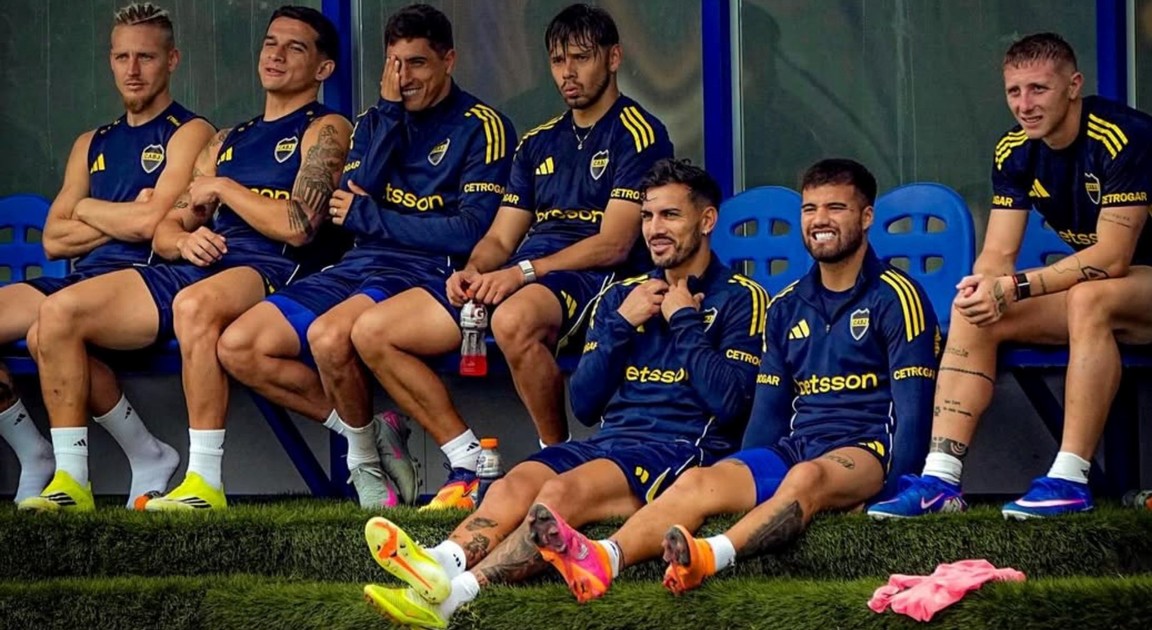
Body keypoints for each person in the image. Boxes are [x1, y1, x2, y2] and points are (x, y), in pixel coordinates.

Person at [359, 158, 766, 627]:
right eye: (648, 216)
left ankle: (456, 596)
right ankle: (441, 560)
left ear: (707, 220)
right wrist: (620, 325)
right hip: (610, 441)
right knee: (516, 482)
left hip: (678, 448)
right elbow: (585, 406)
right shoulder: (620, 298)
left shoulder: (742, 297)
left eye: (670, 215)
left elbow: (731, 406)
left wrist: (685, 322)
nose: (655, 229)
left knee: (559, 491)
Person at [530, 158, 938, 601]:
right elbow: (767, 414)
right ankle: (605, 557)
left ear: (867, 217)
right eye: (809, 209)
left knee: (806, 476)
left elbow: (915, 410)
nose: (820, 220)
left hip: (864, 448)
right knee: (699, 482)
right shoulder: (786, 305)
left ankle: (709, 556)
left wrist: (893, 494)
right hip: (796, 447)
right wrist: (741, 474)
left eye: (835, 208)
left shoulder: (898, 296)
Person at [19, 6, 351, 512]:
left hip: (274, 270)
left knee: (194, 306)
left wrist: (224, 189)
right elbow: (167, 229)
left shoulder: (325, 127)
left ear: (323, 68)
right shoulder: (227, 139)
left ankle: (204, 482)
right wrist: (184, 241)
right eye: (270, 44)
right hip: (200, 266)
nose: (276, 55)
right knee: (58, 314)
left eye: (295, 47)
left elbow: (298, 225)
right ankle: (71, 481)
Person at [348, 2, 673, 510]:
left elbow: (614, 243)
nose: (568, 73)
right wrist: (473, 270)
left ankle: (556, 459)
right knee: (373, 331)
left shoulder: (638, 132)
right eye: (558, 60)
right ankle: (466, 459)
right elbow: (500, 237)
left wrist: (522, 272)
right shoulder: (538, 141)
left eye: (581, 58)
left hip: (594, 275)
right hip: (524, 274)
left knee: (513, 319)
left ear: (613, 58)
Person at [867, 33, 1152, 521]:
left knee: (1089, 298)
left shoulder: (1124, 136)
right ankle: (940, 481)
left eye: (1039, 89)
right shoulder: (1014, 150)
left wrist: (1017, 287)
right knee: (974, 310)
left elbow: (1112, 258)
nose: (1025, 105)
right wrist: (986, 286)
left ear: (1073, 86)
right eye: (1014, 92)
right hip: (1101, 291)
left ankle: (1069, 480)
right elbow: (998, 253)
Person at [216, 3, 515, 508]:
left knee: (330, 335)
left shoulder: (481, 125)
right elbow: (352, 201)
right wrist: (390, 113)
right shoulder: (375, 120)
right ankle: (372, 438)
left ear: (448, 60)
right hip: (358, 265)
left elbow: (468, 231)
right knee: (239, 346)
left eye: (417, 63)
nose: (404, 77)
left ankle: (371, 468)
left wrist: (371, 217)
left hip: (424, 271)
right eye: (394, 64)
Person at [0, 2, 212, 506]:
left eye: (146, 57)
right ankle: (35, 452)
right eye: (121, 57)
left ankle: (72, 481)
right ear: (110, 61)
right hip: (84, 281)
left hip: (152, 277)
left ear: (172, 60)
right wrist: (124, 213)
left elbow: (152, 225)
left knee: (52, 323)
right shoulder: (90, 142)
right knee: (50, 318)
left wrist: (86, 209)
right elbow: (54, 239)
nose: (132, 70)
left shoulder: (191, 131)